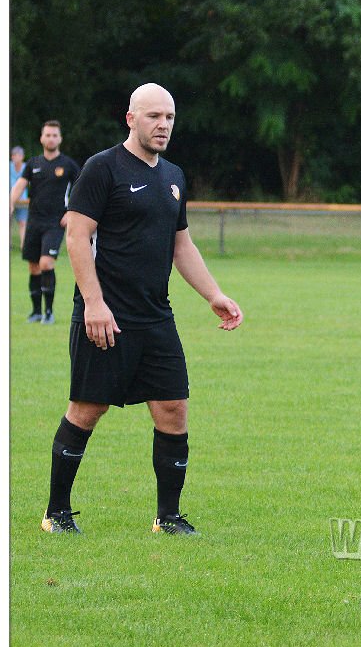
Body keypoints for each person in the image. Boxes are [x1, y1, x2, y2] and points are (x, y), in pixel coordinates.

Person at [41, 83, 243, 536]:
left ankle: (167, 517)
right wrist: (94, 303)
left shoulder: (173, 175)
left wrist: (213, 294)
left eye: (169, 117)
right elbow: (77, 236)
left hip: (156, 316)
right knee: (87, 408)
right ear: (131, 119)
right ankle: (56, 513)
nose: (163, 125)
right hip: (106, 315)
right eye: (154, 116)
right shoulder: (103, 168)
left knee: (173, 407)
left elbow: (181, 244)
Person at [10, 122, 79, 324]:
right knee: (33, 267)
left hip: (55, 223)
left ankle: (49, 312)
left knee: (46, 263)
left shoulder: (68, 165)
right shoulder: (33, 163)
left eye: (54, 135)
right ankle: (36, 312)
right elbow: (19, 186)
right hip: (34, 221)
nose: (51, 138)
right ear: (41, 138)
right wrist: (9, 204)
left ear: (60, 138)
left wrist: (71, 212)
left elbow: (82, 188)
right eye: (47, 135)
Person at [10, 145, 29, 249]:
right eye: (13, 155)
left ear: (22, 157)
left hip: (23, 200)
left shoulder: (27, 168)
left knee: (23, 222)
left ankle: (23, 246)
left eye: (17, 155)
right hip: (8, 199)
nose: (15, 157)